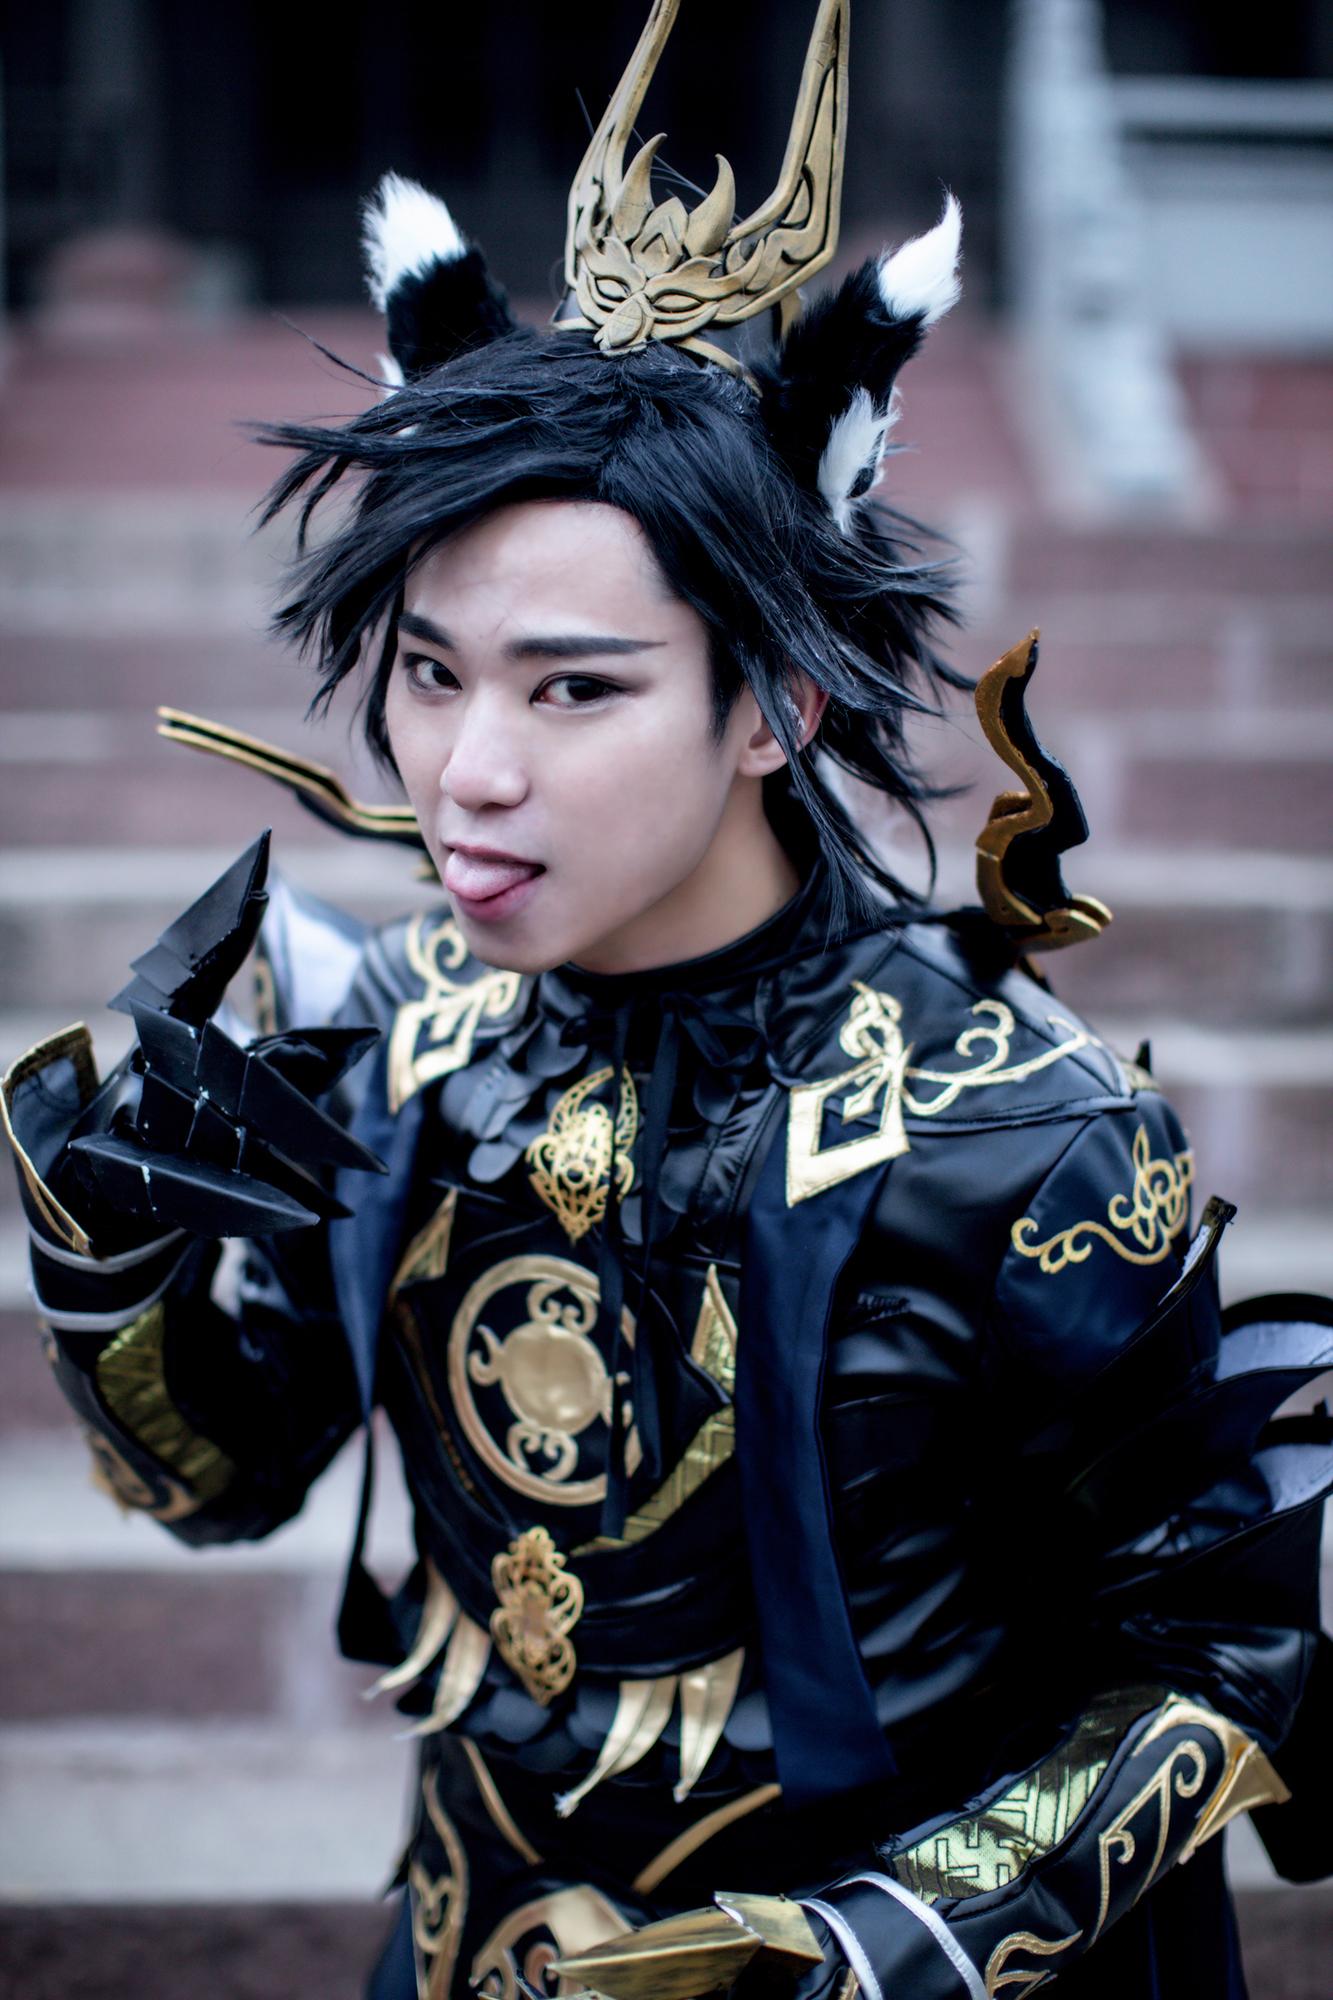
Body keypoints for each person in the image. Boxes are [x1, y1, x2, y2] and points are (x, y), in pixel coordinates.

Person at [4, 3, 1331, 1995]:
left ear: (773, 703)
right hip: (469, 1944)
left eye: (573, 688)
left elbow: (1224, 1648)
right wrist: (106, 1264)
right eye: (430, 672)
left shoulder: (1019, 1129)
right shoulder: (392, 1035)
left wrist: (901, 1931)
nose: (466, 771)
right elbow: (216, 1478)